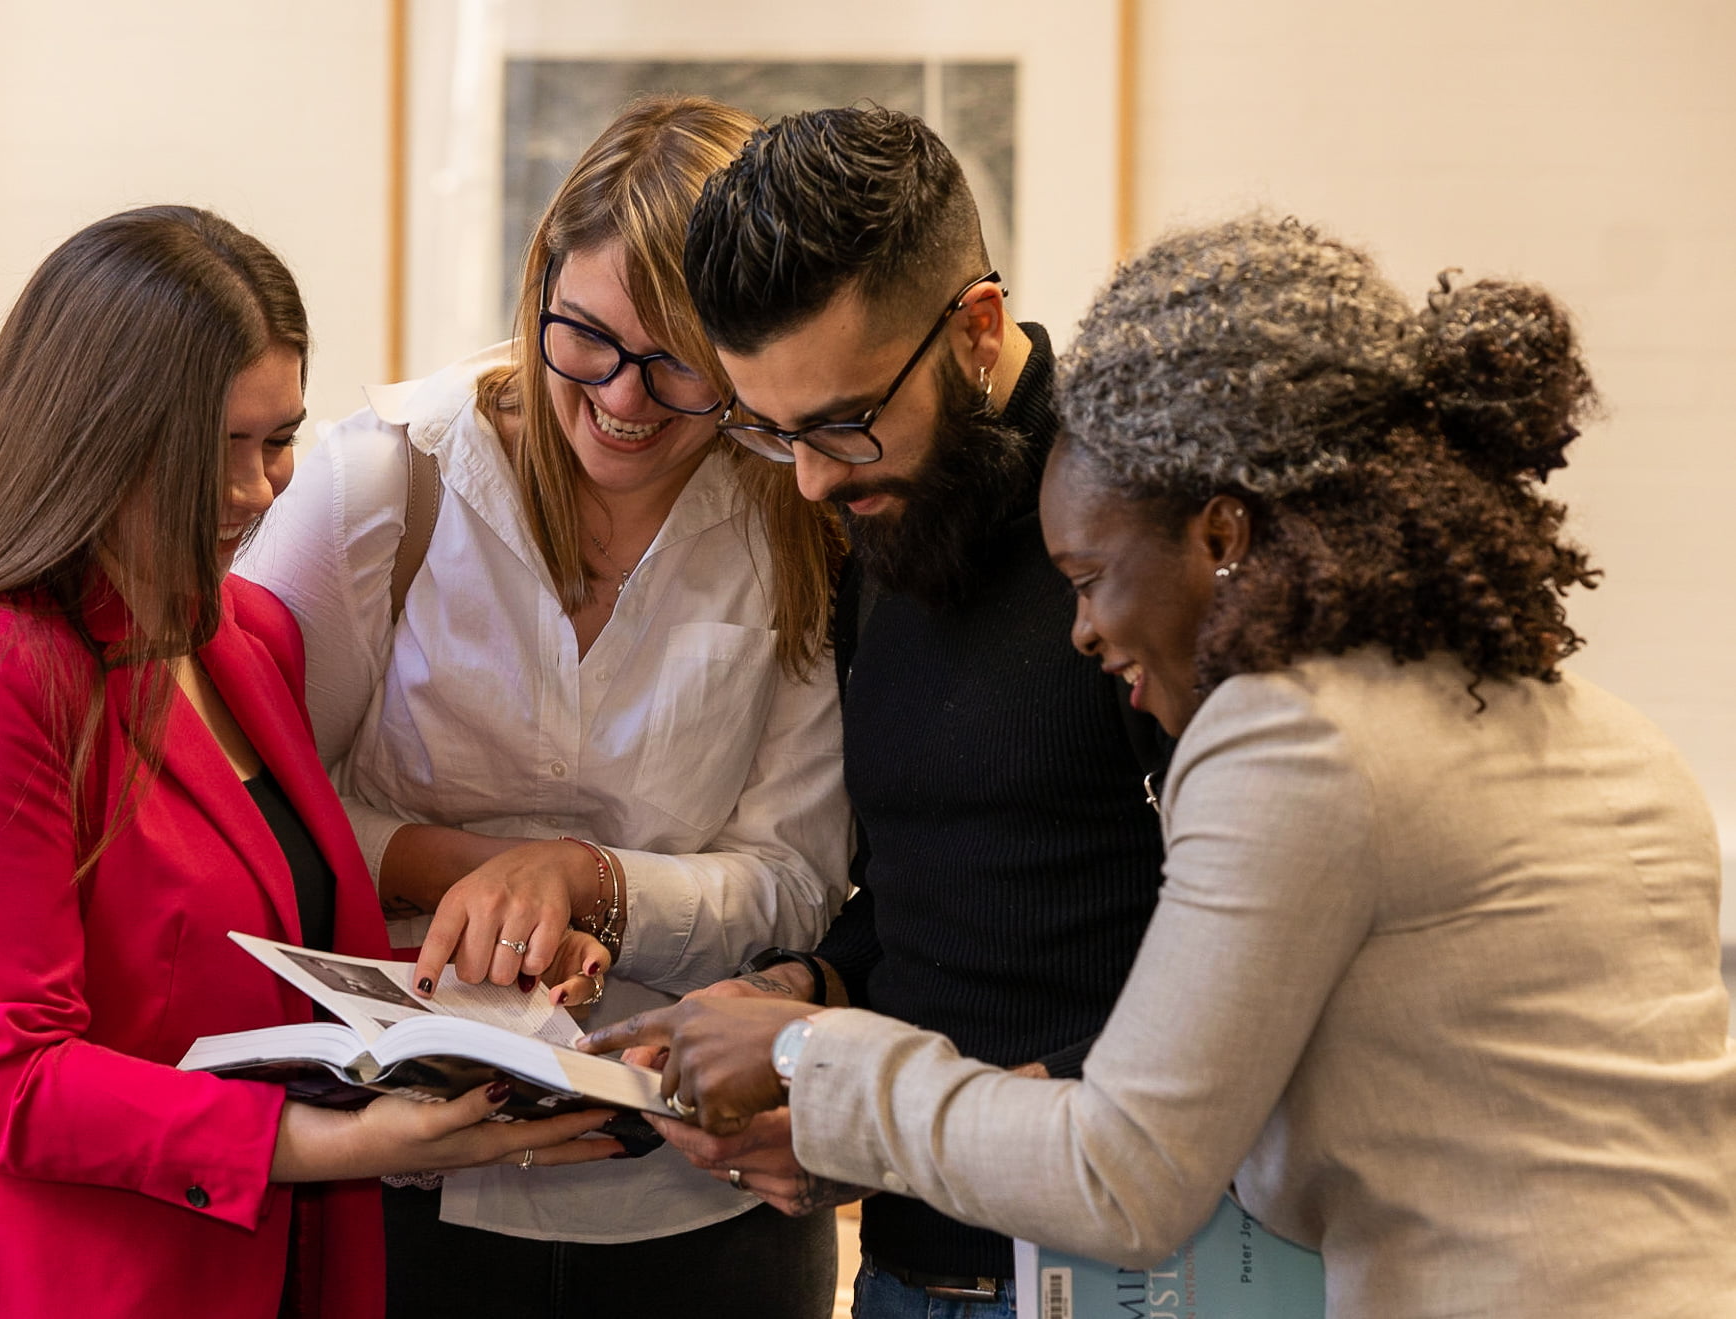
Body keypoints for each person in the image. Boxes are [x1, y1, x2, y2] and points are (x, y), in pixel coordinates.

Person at [585, 216, 1736, 1318]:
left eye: (1088, 577)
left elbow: (1123, 1173)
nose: (1081, 631)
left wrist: (807, 1055)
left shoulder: (1294, 741)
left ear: (1222, 538)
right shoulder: (1602, 734)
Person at [0, 206, 618, 1319]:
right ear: (90, 435)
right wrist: (328, 1139)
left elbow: (241, 966)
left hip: (259, 1270)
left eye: (278, 438)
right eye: (213, 449)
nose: (253, 490)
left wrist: (479, 987)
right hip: (51, 1282)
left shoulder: (244, 637)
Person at [235, 96, 850, 1318]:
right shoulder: (384, 483)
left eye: (680, 362)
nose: (624, 397)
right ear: (538, 290)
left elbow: (796, 874)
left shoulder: (801, 513)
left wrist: (588, 880)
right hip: (398, 1176)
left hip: (697, 1191)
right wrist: (473, 869)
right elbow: (249, 813)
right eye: (586, 338)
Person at [633, 105, 1168, 1316]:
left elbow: (1245, 982)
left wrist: (870, 1122)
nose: (816, 478)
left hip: (1131, 1265)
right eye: (772, 432)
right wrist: (808, 989)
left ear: (975, 327)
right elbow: (941, 892)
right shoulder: (879, 513)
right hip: (904, 1266)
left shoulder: (1136, 534)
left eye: (842, 421)